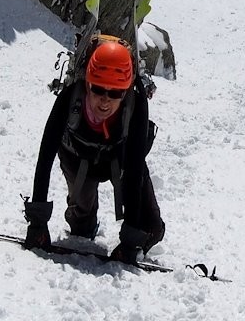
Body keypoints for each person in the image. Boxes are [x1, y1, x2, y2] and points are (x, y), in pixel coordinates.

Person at [23, 35, 164, 264]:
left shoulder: (135, 106)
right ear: (88, 83)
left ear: (126, 90)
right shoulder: (71, 98)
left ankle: (139, 235)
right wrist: (38, 222)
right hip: (77, 158)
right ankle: (83, 219)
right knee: (81, 226)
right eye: (98, 89)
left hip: (120, 159)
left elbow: (134, 170)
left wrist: (130, 240)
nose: (105, 101)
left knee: (151, 230)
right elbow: (46, 154)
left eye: (116, 93)